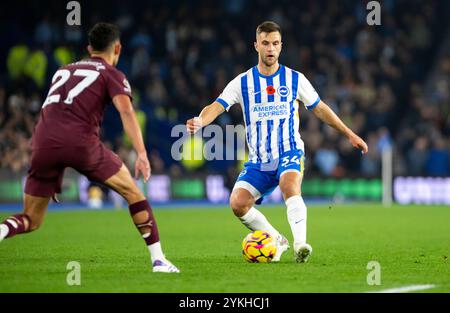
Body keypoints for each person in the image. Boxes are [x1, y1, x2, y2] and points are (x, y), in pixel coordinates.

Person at [0, 22, 179, 273]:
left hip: (42, 142)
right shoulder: (111, 73)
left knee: (30, 219)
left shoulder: (63, 70)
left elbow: (53, 113)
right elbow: (127, 111)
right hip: (81, 142)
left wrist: (55, 165)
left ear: (88, 48)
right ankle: (159, 261)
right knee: (134, 193)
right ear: (117, 48)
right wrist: (141, 153)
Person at [186, 21, 368, 263]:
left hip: (289, 150)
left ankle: (300, 244)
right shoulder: (243, 82)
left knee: (289, 185)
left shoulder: (295, 79)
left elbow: (320, 108)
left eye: (274, 43)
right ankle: (276, 239)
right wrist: (200, 120)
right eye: (265, 43)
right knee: (238, 203)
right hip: (259, 161)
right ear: (256, 46)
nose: (270, 48)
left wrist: (349, 133)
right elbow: (217, 106)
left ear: (281, 46)